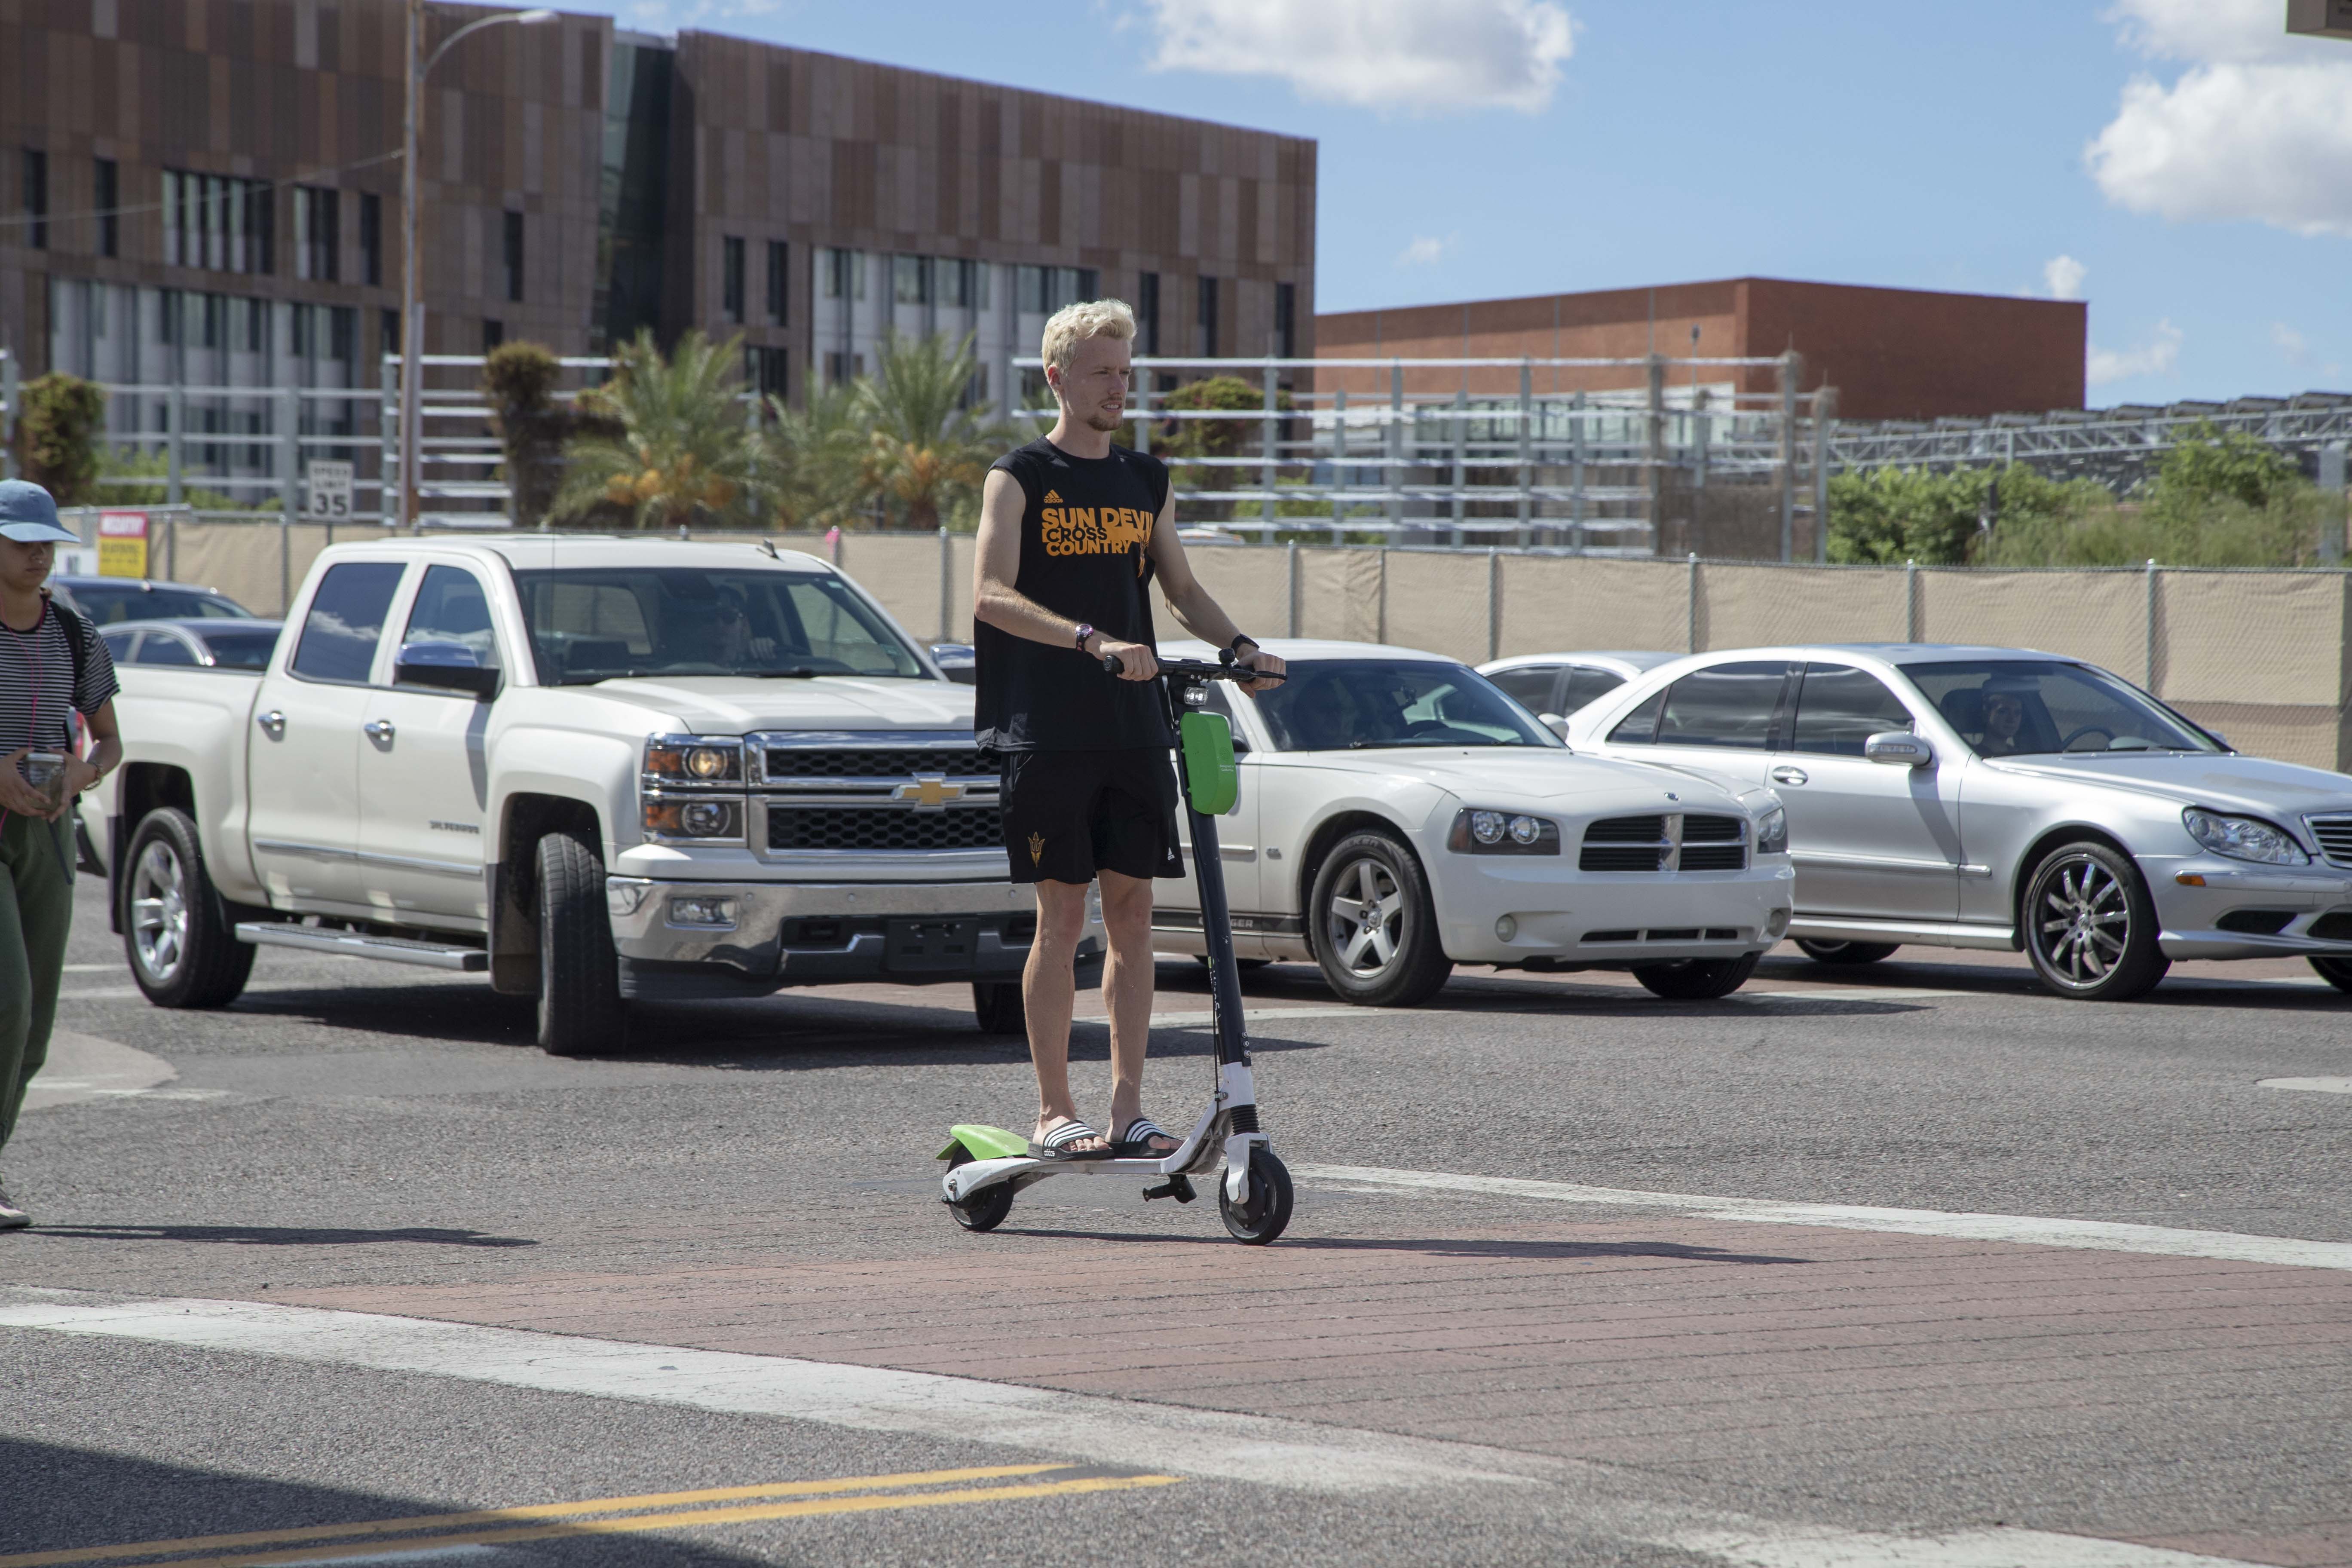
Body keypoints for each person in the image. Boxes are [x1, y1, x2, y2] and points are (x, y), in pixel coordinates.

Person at [973, 299, 1285, 1160]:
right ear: (1058, 378)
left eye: (1126, 371)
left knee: (1136, 913)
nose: (1120, 386)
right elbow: (989, 594)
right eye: (1104, 371)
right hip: (1047, 730)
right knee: (1061, 918)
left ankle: (1127, 1109)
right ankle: (1052, 1109)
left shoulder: (1145, 482)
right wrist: (1091, 640)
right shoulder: (1020, 475)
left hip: (1135, 730)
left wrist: (1240, 646)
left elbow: (1179, 591)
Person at [0, 480, 122, 1231]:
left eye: (46, 540)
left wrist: (82, 772)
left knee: (37, 1020)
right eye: (21, 540)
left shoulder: (73, 630)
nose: (38, 553)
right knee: (6, 1001)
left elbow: (110, 739)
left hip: (49, 829)